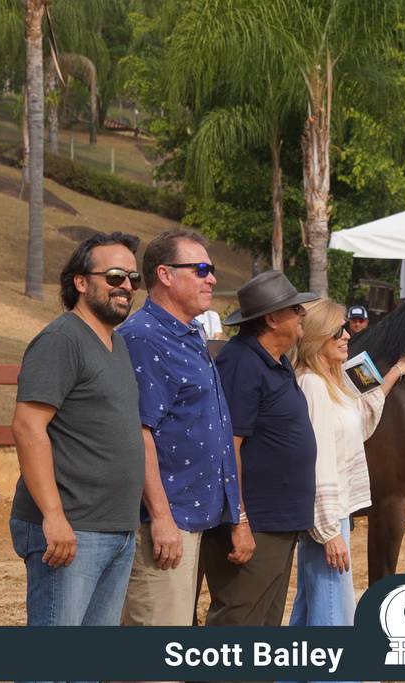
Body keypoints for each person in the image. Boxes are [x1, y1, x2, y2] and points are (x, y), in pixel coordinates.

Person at [9, 231, 145, 626]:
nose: (126, 287)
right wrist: (54, 516)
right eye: (115, 276)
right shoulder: (61, 339)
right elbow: (27, 428)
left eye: (133, 279)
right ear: (81, 283)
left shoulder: (116, 345)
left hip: (116, 529)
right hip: (70, 530)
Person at [117, 230, 248, 626]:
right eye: (202, 269)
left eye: (212, 270)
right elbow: (139, 433)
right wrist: (161, 517)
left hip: (192, 519)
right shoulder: (143, 338)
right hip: (165, 523)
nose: (211, 278)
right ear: (166, 275)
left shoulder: (188, 335)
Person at [289, 298, 405, 633]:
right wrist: (329, 531)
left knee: (311, 608)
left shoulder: (331, 382)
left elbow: (361, 416)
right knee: (335, 615)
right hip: (328, 518)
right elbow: (315, 459)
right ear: (318, 338)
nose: (348, 335)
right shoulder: (313, 385)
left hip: (336, 513)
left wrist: (397, 371)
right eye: (338, 331)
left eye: (346, 328)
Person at [201, 270, 318, 626]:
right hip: (257, 523)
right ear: (271, 318)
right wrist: (240, 521)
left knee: (264, 630)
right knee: (237, 627)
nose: (303, 314)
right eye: (296, 308)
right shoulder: (242, 362)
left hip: (278, 523)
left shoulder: (276, 361)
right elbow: (227, 446)